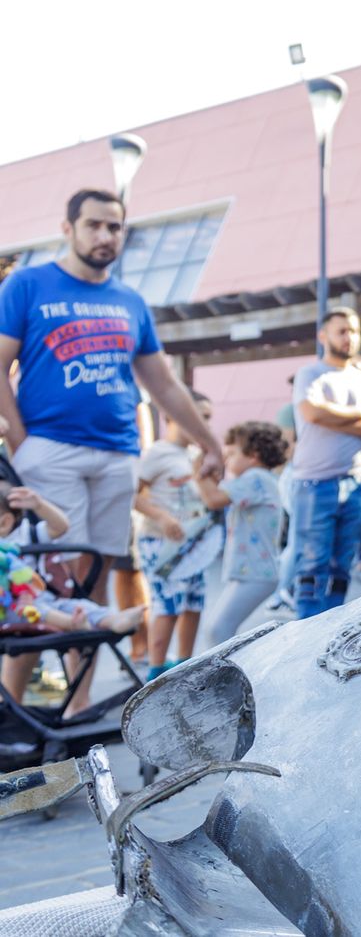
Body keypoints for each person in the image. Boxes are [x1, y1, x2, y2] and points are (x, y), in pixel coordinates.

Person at [0, 189, 222, 704]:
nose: (105, 236)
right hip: (49, 447)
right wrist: (20, 439)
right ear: (68, 228)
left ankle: (76, 707)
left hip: (117, 453)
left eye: (115, 227)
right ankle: (12, 708)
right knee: (47, 575)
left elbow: (163, 383)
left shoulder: (129, 301)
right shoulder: (28, 285)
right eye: (94, 225)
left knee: (95, 579)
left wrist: (208, 441)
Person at [292, 307, 361, 618]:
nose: (350, 337)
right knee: (312, 565)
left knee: (341, 567)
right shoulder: (310, 374)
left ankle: (333, 625)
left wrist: (333, 416)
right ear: (323, 335)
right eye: (342, 331)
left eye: (354, 331)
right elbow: (313, 413)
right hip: (315, 483)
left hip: (357, 482)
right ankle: (305, 632)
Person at [133, 390, 219, 679]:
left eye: (208, 418)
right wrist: (160, 516)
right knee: (167, 606)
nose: (204, 424)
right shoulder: (157, 453)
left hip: (193, 545)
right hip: (161, 543)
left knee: (194, 603)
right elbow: (131, 494)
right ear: (174, 414)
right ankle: (155, 671)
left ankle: (185, 665)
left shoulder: (195, 456)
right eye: (199, 416)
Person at [0, 485, 146, 635]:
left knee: (79, 606)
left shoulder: (27, 534)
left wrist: (39, 505)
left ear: (4, 523)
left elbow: (61, 527)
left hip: (45, 598)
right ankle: (72, 623)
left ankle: (112, 620)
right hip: (10, 607)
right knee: (37, 609)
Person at [195, 421, 288, 647]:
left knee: (218, 631)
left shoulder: (256, 478)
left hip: (256, 572)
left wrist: (198, 469)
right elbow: (216, 494)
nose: (226, 460)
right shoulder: (258, 480)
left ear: (254, 455)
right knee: (217, 630)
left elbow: (213, 499)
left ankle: (232, 670)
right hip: (252, 571)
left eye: (231, 454)